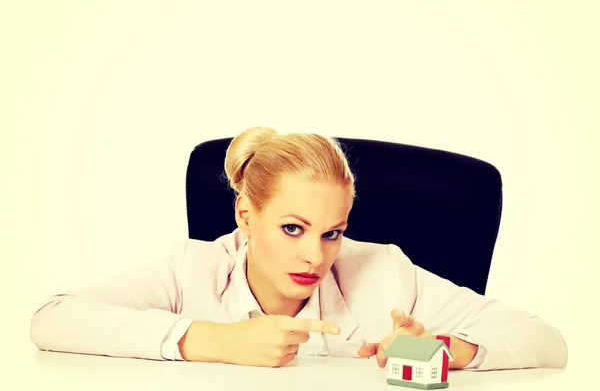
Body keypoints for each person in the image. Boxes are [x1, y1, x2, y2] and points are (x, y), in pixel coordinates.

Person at [30, 127, 568, 370]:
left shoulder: (383, 272)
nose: (316, 255)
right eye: (293, 228)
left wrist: (446, 351)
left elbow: (545, 340)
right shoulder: (192, 269)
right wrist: (214, 340)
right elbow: (52, 319)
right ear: (246, 216)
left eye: (332, 232)